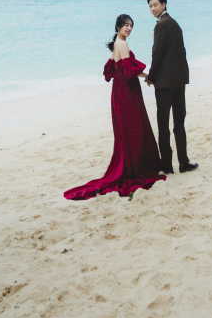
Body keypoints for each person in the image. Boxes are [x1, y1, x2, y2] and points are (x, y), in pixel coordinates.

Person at [64, 14, 166, 200]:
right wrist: (148, 76)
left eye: (131, 26)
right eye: (126, 25)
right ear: (118, 27)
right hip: (127, 91)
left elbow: (112, 69)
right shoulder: (122, 44)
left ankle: (133, 163)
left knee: (128, 129)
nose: (129, 29)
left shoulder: (117, 43)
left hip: (119, 90)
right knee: (135, 128)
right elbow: (129, 70)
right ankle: (137, 167)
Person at [145, 0, 197, 175]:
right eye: (150, 6)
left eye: (155, 5)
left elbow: (157, 54)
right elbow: (181, 52)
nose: (153, 8)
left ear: (164, 4)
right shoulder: (173, 23)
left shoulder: (162, 24)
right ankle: (184, 162)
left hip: (165, 83)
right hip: (179, 80)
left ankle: (167, 165)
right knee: (179, 122)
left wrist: (151, 76)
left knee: (163, 124)